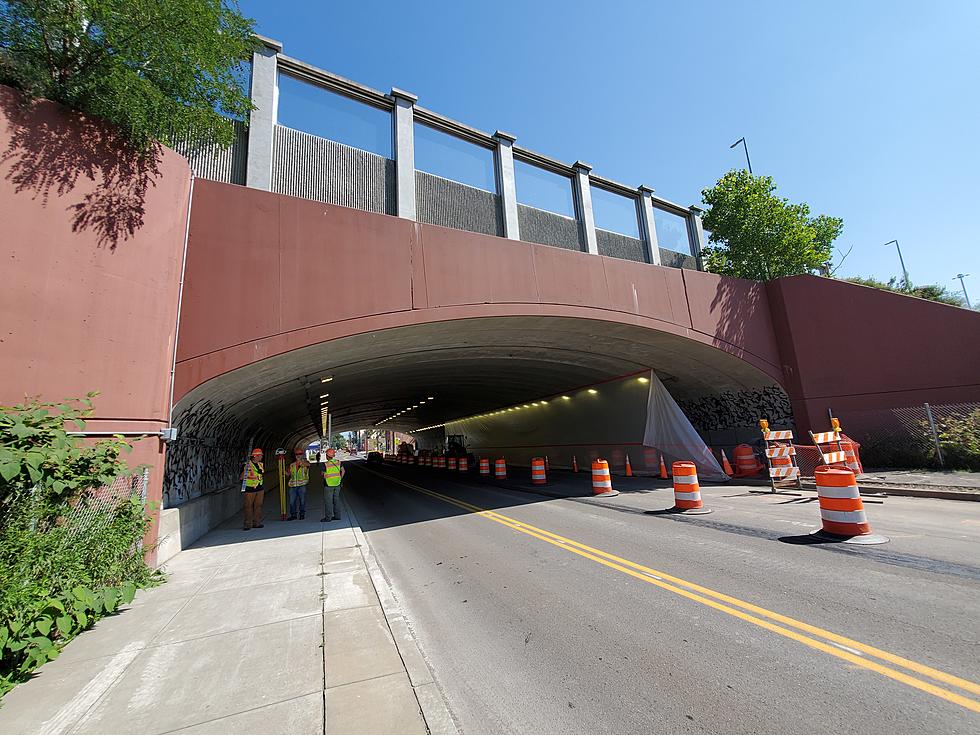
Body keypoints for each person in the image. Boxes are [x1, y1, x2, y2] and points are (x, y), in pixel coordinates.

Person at [241, 448, 265, 531]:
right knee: (248, 507)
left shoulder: (261, 464)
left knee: (258, 506)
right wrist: (245, 471)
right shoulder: (247, 465)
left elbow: (260, 474)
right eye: (260, 456)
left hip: (259, 488)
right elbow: (241, 477)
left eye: (261, 455)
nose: (261, 457)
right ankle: (248, 524)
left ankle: (257, 523)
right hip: (249, 489)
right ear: (255, 456)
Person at [320, 447, 345, 522]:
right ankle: (337, 516)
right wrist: (340, 478)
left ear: (327, 456)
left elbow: (323, 474)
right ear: (333, 455)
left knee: (328, 502)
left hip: (328, 485)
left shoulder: (325, 464)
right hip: (337, 484)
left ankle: (328, 518)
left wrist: (325, 476)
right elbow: (343, 471)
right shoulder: (338, 462)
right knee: (336, 500)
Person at [287, 447, 309, 520]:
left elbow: (308, 465)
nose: (298, 455)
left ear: (302, 455)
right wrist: (285, 473)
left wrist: (301, 462)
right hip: (293, 486)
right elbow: (289, 474)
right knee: (291, 502)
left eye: (300, 454)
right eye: (297, 454)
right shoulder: (292, 465)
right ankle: (293, 515)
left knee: (302, 501)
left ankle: (302, 514)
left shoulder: (305, 463)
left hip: (301, 485)